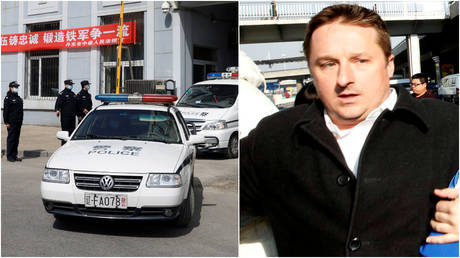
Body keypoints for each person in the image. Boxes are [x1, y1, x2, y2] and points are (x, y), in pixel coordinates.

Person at [240, 4, 458, 256]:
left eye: (360, 60)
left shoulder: (448, 124)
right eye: (328, 64)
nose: (344, 78)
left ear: (389, 65)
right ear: (312, 70)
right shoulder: (274, 136)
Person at [3, 81, 23, 162]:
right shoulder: (8, 98)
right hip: (11, 122)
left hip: (18, 122)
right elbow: (5, 111)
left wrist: (21, 121)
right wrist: (6, 122)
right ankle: (9, 156)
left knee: (16, 139)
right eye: (15, 87)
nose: (16, 89)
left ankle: (14, 155)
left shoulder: (18, 98)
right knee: (11, 139)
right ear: (11, 88)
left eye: (17, 87)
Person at [55, 79, 78, 145]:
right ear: (66, 85)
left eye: (72, 85)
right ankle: (64, 145)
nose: (71, 86)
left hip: (72, 116)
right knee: (65, 133)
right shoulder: (62, 94)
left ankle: (71, 145)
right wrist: (57, 110)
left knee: (72, 132)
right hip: (65, 117)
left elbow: (76, 104)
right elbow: (58, 103)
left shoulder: (73, 94)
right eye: (70, 85)